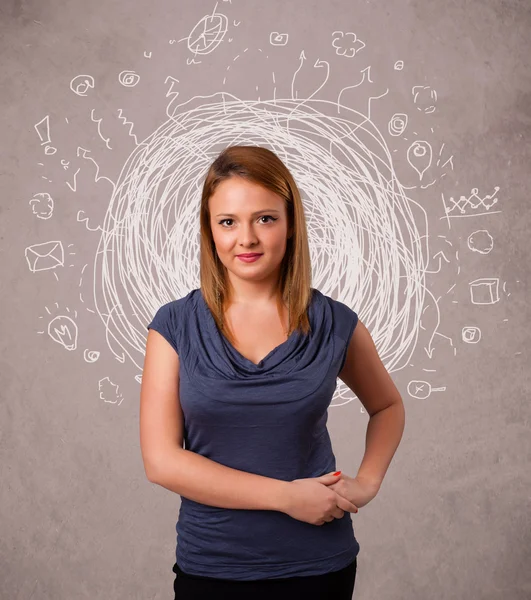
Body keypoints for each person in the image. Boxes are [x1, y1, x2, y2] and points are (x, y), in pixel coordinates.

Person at [140, 145, 406, 600]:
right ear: (210, 231)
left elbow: (387, 406)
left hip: (319, 568)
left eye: (264, 218)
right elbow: (162, 462)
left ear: (290, 224)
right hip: (213, 568)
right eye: (228, 222)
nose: (246, 238)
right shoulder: (174, 325)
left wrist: (366, 483)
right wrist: (286, 497)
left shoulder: (334, 322)